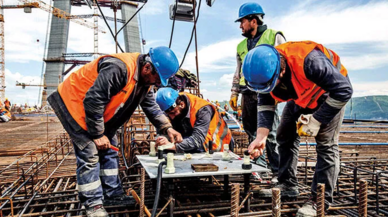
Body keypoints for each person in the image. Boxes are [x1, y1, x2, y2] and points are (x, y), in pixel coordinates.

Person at [47, 46, 183, 217]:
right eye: (157, 79)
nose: (157, 84)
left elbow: (150, 107)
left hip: (99, 113)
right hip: (74, 105)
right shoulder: (119, 68)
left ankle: (112, 194)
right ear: (147, 67)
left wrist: (167, 127)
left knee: (111, 147)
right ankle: (93, 204)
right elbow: (93, 100)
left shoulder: (145, 81)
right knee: (89, 153)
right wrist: (97, 134)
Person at [243, 41, 352, 216]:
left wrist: (316, 120)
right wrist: (261, 136)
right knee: (284, 134)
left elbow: (344, 90)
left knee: (326, 145)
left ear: (282, 70)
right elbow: (265, 102)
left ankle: (320, 201)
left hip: (331, 94)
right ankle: (287, 185)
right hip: (302, 96)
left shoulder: (310, 61)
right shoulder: (264, 72)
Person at [229, 2, 285, 182]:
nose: (240, 26)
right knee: (251, 131)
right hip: (248, 92)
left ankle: (277, 171)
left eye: (242, 21)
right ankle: (260, 168)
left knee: (271, 133)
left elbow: (285, 63)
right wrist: (234, 93)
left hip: (268, 91)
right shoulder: (241, 46)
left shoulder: (273, 36)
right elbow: (238, 71)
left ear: (254, 21)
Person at [155, 87, 234, 153]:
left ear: (182, 104)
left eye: (174, 113)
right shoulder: (169, 105)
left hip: (219, 144)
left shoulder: (203, 110)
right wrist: (163, 138)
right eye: (169, 114)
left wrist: (172, 146)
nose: (171, 117)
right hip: (196, 141)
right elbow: (162, 127)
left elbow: (197, 139)